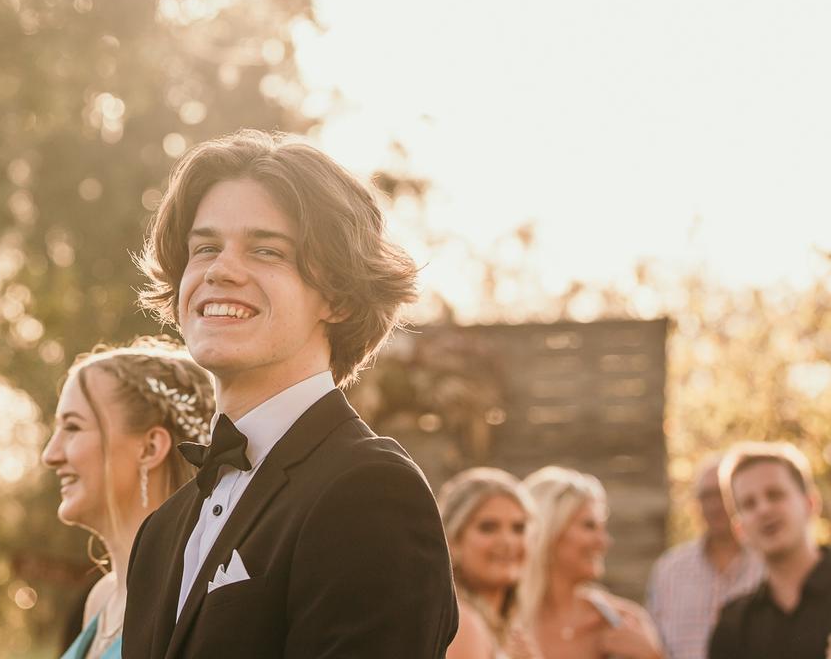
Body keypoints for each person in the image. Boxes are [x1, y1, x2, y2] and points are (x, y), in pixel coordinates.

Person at [123, 129, 458, 658]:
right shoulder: (160, 533)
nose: (220, 270)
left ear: (340, 300)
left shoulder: (370, 491)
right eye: (205, 247)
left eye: (266, 251)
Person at [42, 337, 215, 659]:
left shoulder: (193, 601)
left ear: (150, 448)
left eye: (73, 428)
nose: (49, 455)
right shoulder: (100, 600)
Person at [521, 466, 663, 659]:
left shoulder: (625, 622)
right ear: (548, 531)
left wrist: (654, 657)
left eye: (602, 528)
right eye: (589, 526)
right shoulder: (507, 625)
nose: (603, 542)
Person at [708, 442, 830, 659]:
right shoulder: (733, 625)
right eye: (749, 504)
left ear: (810, 504)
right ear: (740, 529)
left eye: (775, 495)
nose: (764, 510)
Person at [645, 456, 763, 659]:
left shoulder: (767, 565)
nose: (716, 504)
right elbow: (652, 644)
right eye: (706, 496)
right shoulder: (669, 570)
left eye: (722, 493)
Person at [438, 467, 541, 659]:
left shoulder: (505, 628)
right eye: (488, 528)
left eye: (518, 528)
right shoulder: (463, 624)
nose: (507, 542)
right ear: (452, 540)